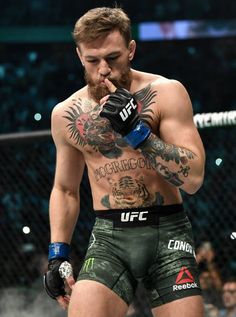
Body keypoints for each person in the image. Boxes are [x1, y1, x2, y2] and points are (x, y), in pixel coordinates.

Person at [43, 6, 206, 317]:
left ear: (131, 50)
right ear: (80, 56)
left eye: (113, 58)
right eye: (93, 60)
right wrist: (57, 254)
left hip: (167, 231)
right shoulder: (65, 114)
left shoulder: (166, 93)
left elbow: (194, 178)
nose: (103, 69)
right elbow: (65, 189)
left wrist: (138, 133)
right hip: (110, 237)